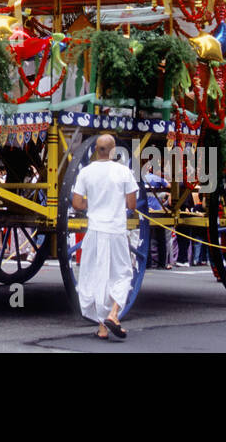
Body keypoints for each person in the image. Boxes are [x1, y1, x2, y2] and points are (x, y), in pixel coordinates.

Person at [72, 134, 139, 341]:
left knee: (97, 276)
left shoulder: (86, 172)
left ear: (96, 149)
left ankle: (102, 327)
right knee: (122, 274)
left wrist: (91, 205)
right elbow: (132, 205)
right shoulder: (123, 171)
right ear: (113, 150)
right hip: (116, 230)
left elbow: (76, 203)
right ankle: (113, 314)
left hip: (94, 230)